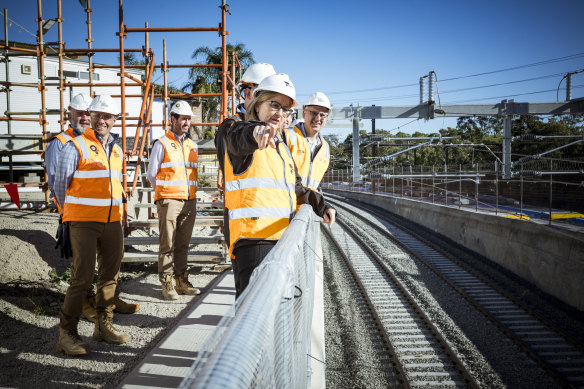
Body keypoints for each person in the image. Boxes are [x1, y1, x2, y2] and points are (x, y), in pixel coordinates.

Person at [217, 73, 336, 298]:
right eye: (274, 105)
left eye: (285, 109)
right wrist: (255, 132)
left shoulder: (281, 147)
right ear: (258, 104)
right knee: (254, 316)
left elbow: (297, 188)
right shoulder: (240, 131)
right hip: (253, 240)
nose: (280, 114)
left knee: (273, 314)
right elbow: (237, 139)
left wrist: (323, 205)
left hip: (280, 237)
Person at [46, 93, 139, 319]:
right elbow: (57, 184)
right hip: (79, 216)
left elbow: (112, 184)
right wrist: (68, 216)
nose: (87, 118)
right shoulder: (64, 144)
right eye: (84, 114)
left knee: (108, 269)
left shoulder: (113, 148)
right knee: (82, 272)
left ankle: (106, 301)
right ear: (71, 113)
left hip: (107, 218)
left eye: (89, 114)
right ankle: (83, 307)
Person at [147, 100, 200, 300]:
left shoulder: (192, 145)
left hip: (190, 200)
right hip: (169, 200)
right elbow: (152, 174)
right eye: (183, 119)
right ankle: (167, 282)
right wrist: (164, 194)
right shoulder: (161, 144)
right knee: (167, 244)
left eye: (188, 119)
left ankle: (181, 280)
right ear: (173, 119)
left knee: (183, 244)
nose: (186, 122)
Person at [284, 92, 332, 191]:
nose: (318, 119)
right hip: (287, 203)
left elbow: (317, 185)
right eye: (314, 113)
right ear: (304, 113)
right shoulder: (287, 136)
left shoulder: (325, 148)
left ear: (326, 118)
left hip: (309, 203)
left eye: (322, 115)